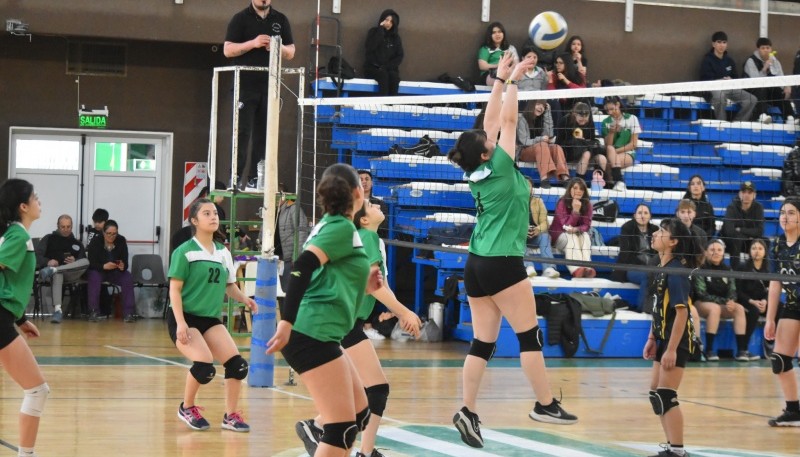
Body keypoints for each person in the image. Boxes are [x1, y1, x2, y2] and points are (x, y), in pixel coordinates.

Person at [447, 52, 577, 449]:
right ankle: (544, 403)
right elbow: (503, 122)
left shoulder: (478, 170)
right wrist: (519, 78)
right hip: (503, 264)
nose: (492, 138)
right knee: (529, 338)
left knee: (482, 344)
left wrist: (500, 79)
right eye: (488, 143)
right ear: (486, 152)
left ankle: (467, 410)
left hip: (476, 264)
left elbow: (490, 124)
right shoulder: (501, 164)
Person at [266, 163, 381, 456]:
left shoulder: (341, 227)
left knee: (359, 413)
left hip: (322, 333)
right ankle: (320, 433)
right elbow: (303, 266)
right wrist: (286, 321)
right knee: (341, 428)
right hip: (310, 332)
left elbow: (329, 276)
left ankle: (316, 432)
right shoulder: (339, 226)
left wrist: (364, 284)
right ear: (358, 192)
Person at [294, 198, 422, 457]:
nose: (377, 204)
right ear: (363, 218)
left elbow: (378, 285)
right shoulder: (366, 237)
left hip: (344, 322)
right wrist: (404, 311)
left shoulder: (367, 238)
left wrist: (394, 310)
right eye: (371, 205)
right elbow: (372, 285)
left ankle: (350, 441)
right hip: (340, 324)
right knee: (374, 390)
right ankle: (328, 430)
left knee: (371, 393)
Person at [168, 198, 257, 432]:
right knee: (205, 367)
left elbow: (229, 286)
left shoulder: (223, 252)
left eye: (215, 213)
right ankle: (186, 407)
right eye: (207, 213)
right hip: (185, 317)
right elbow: (174, 290)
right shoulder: (184, 252)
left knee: (238, 365)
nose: (214, 217)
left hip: (209, 319)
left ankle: (231, 416)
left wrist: (245, 299)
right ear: (194, 221)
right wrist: (180, 324)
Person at [643, 218, 702, 457]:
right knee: (656, 394)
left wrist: (671, 349)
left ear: (674, 242)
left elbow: (682, 313)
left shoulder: (676, 271)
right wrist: (652, 337)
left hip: (677, 340)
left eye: (661, 231)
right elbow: (659, 308)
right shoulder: (662, 267)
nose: (655, 234)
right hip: (663, 337)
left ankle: (677, 451)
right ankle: (670, 447)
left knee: (666, 395)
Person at [0, 179, 49, 457]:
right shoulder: (18, 235)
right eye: (35, 197)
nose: (39, 201)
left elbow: (7, 281)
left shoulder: (15, 234)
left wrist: (20, 319)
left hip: (5, 318)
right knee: (37, 390)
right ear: (23, 206)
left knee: (36, 390)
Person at [224, 0, 295, 191]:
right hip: (244, 86)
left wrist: (277, 46)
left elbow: (291, 52)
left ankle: (256, 178)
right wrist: (253, 43)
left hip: (270, 87)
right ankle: (236, 177)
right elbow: (228, 50)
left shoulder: (280, 19)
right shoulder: (240, 18)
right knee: (242, 133)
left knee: (264, 136)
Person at [765, 197, 800, 427]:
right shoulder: (777, 244)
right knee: (779, 360)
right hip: (794, 304)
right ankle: (793, 410)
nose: (785, 217)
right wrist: (770, 319)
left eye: (790, 212)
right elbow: (775, 283)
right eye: (782, 212)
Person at [692, 239, 754, 361]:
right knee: (714, 309)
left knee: (739, 308)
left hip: (721, 304)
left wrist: (731, 301)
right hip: (701, 304)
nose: (716, 252)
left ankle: (741, 351)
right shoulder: (700, 269)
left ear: (723, 252)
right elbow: (702, 294)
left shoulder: (727, 270)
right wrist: (724, 302)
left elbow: (732, 289)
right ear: (706, 252)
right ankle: (709, 350)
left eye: (719, 250)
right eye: (712, 250)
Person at [34, 214, 90, 323]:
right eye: (63, 227)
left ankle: (55, 270)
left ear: (72, 226)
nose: (66, 229)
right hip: (53, 274)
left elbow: (83, 261)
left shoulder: (77, 243)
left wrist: (75, 261)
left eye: (68, 227)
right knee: (57, 274)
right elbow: (36, 256)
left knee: (86, 261)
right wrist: (48, 262)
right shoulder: (48, 238)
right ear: (58, 226)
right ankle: (58, 311)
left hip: (72, 273)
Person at [86, 220, 136, 322]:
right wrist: (104, 266)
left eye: (114, 234)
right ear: (103, 232)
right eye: (109, 233)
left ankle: (128, 313)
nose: (111, 236)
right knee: (94, 276)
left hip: (114, 271)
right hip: (99, 270)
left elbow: (125, 261)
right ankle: (94, 311)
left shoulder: (121, 240)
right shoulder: (95, 242)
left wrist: (122, 266)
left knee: (127, 277)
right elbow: (91, 263)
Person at [699, 31, 757, 122]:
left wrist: (731, 80)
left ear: (727, 45)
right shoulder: (707, 60)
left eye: (724, 42)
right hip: (714, 89)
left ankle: (738, 123)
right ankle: (722, 123)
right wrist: (721, 80)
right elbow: (706, 80)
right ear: (713, 44)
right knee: (720, 97)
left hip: (730, 88)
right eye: (718, 42)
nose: (721, 45)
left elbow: (736, 78)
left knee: (752, 99)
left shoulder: (730, 61)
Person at [612, 203, 658, 312]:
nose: (642, 215)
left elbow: (658, 252)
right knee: (648, 276)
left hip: (652, 267)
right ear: (634, 215)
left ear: (650, 216)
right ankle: (642, 309)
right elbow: (626, 254)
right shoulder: (627, 228)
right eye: (640, 213)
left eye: (646, 213)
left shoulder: (655, 230)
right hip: (631, 267)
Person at [516, 100, 569, 188]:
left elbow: (549, 134)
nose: (541, 107)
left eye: (544, 106)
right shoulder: (522, 118)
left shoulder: (542, 118)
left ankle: (565, 177)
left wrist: (548, 114)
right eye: (538, 104)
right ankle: (544, 179)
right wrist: (540, 139)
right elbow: (524, 142)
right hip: (524, 152)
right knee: (542, 145)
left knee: (556, 147)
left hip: (541, 150)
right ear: (532, 104)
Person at [550, 178, 596, 278]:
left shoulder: (587, 204)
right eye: (575, 188)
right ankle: (576, 269)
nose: (578, 191)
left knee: (585, 236)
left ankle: (587, 267)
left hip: (576, 234)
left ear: (584, 192)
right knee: (571, 237)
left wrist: (577, 229)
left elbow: (586, 225)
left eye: (581, 189)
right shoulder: (562, 202)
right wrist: (575, 211)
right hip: (559, 236)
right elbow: (566, 226)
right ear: (570, 189)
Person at [742, 37, 794, 123]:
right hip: (753, 90)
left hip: (769, 91)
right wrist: (764, 68)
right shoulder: (751, 61)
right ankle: (762, 115)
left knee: (779, 91)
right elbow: (755, 82)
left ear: (771, 49)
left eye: (768, 48)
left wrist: (786, 86)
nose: (766, 50)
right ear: (758, 49)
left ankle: (789, 116)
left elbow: (781, 77)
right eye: (763, 48)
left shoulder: (775, 61)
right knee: (761, 89)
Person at [736, 238, 770, 359]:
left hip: (761, 302)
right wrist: (752, 302)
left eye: (760, 248)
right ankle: (744, 349)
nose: (757, 251)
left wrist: (765, 301)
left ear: (765, 252)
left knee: (780, 308)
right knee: (754, 312)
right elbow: (738, 291)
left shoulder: (767, 270)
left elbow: (769, 290)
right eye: (754, 248)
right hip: (746, 301)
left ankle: (771, 344)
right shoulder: (742, 267)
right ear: (749, 251)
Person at [598, 95, 641, 191]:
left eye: (612, 109)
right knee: (608, 151)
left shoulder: (632, 118)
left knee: (608, 163)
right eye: (607, 110)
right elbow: (608, 145)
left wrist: (614, 152)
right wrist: (611, 132)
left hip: (627, 153)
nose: (610, 112)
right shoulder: (605, 122)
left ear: (618, 104)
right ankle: (618, 182)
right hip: (610, 152)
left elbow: (633, 144)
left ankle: (616, 183)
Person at [720, 181, 765, 268]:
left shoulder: (759, 208)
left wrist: (740, 229)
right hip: (730, 242)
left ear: (754, 195)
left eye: (749, 192)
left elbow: (760, 231)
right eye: (744, 192)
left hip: (748, 242)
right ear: (740, 194)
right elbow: (729, 232)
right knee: (737, 239)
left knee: (765, 242)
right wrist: (750, 234)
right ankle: (735, 273)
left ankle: (759, 272)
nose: (746, 195)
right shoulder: (731, 207)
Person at [363, 9, 403, 96]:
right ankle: (382, 103)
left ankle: (391, 104)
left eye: (391, 21)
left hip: (389, 69)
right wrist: (380, 30)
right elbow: (370, 47)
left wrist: (387, 66)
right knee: (383, 75)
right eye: (387, 20)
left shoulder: (396, 38)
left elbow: (399, 55)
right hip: (373, 68)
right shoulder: (373, 32)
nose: (388, 23)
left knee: (394, 77)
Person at [555, 102, 601, 176]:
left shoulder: (590, 123)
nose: (583, 123)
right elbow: (558, 143)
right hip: (568, 151)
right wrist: (577, 141)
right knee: (586, 153)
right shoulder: (565, 121)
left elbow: (592, 140)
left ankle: (599, 180)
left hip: (585, 149)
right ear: (575, 115)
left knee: (600, 157)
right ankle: (579, 179)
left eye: (585, 121)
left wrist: (583, 142)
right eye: (580, 121)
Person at [526, 178, 560, 279]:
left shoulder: (538, 201)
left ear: (532, 188)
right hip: (521, 236)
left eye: (528, 186)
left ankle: (548, 268)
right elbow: (512, 223)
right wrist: (523, 229)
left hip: (535, 235)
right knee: (518, 237)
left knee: (545, 236)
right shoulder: (514, 202)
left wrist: (538, 229)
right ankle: (528, 267)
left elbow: (545, 222)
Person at [275, 191, 309, 289]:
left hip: (288, 259)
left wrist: (297, 256)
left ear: (283, 196)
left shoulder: (294, 209)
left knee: (287, 289)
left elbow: (301, 232)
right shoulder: (273, 210)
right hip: (275, 258)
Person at [547, 52, 586, 117]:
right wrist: (550, 81)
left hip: (576, 106)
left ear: (567, 64)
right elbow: (552, 96)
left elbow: (582, 92)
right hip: (561, 108)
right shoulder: (554, 76)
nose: (557, 65)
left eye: (561, 63)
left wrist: (566, 80)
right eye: (557, 62)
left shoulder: (578, 75)